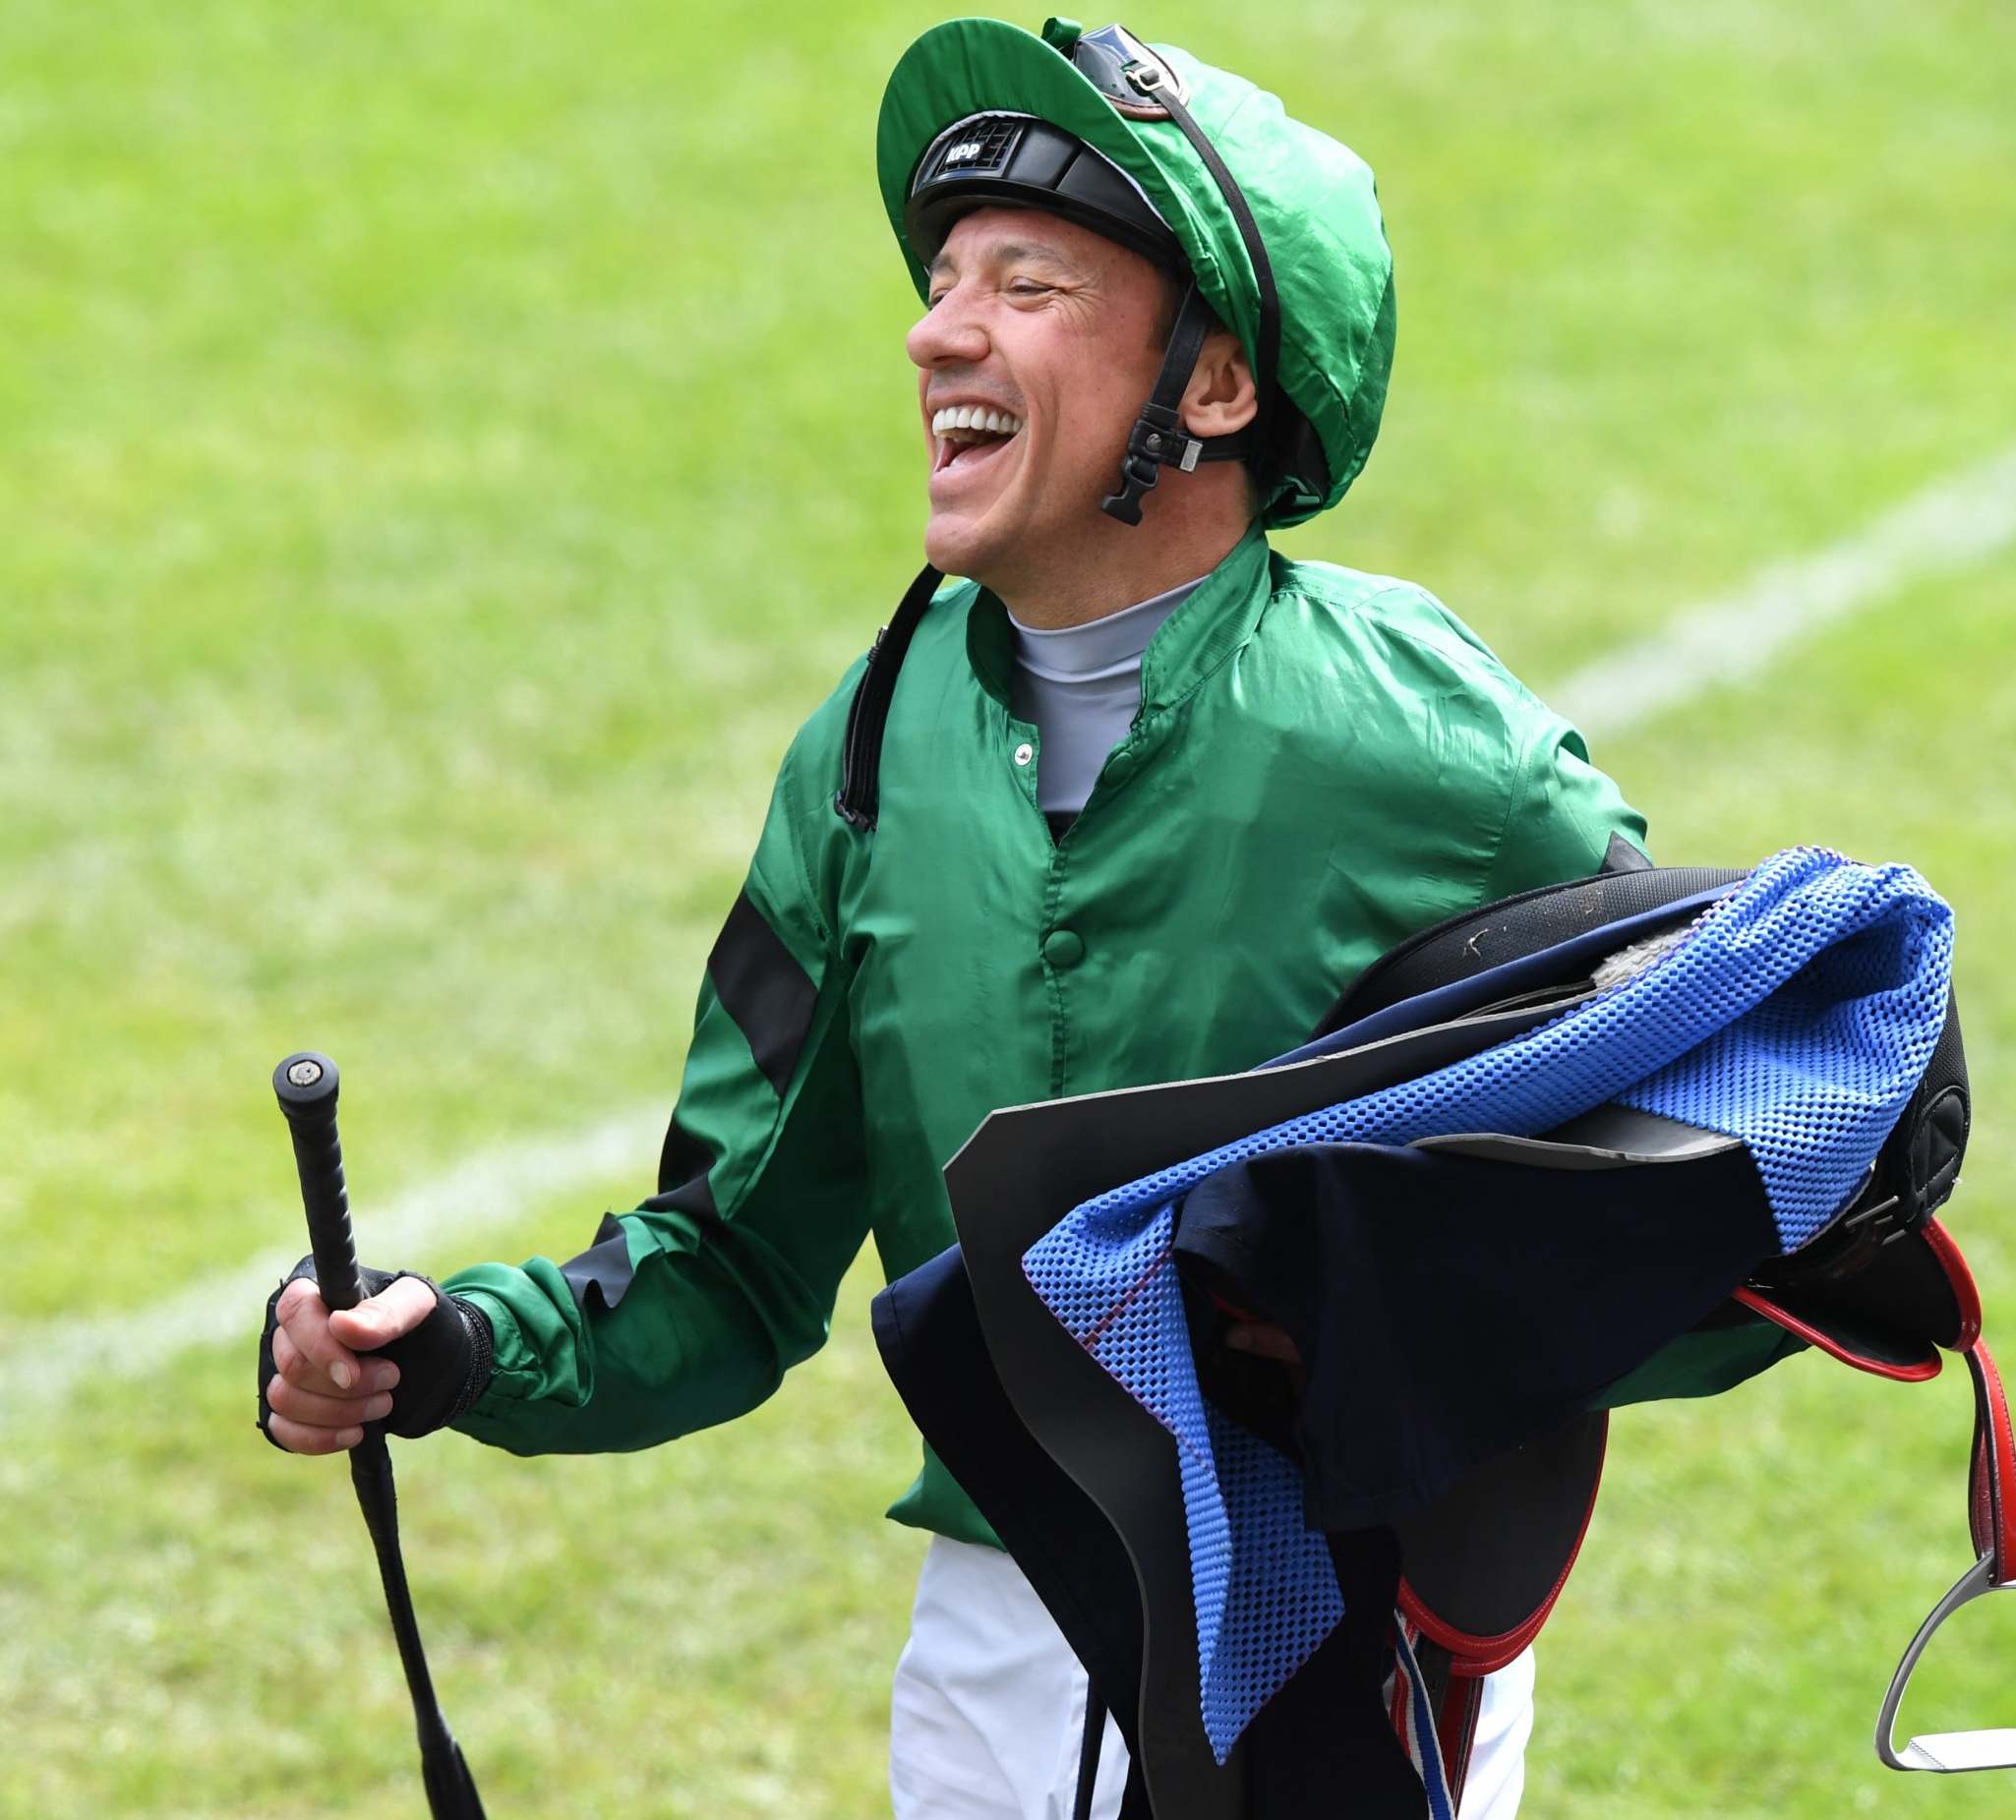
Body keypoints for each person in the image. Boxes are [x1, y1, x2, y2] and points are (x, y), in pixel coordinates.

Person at [257, 20, 1780, 1816]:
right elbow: (732, 1261)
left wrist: (1384, 1329)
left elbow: (1718, 1193)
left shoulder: (1431, 746)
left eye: (1030, 282)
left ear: (1211, 387)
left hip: (1355, 1649)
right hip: (997, 1658)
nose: (937, 330)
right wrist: (451, 1345)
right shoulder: (871, 753)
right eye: (944, 279)